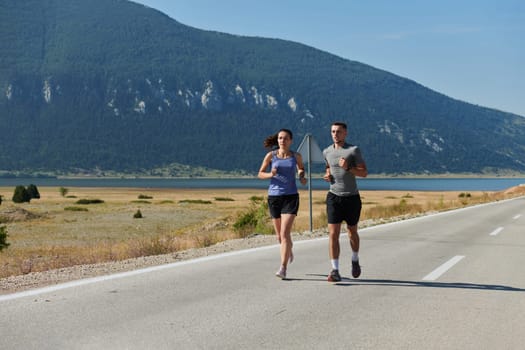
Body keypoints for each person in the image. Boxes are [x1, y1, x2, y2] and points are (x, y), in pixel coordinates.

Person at [258, 128, 307, 279]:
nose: (282, 141)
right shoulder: (271, 156)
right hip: (274, 197)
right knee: (280, 236)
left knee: (285, 233)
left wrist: (301, 176)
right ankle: (288, 250)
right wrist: (270, 174)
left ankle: (283, 268)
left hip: (291, 197)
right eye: (280, 138)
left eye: (285, 138)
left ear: (291, 141)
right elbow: (260, 173)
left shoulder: (296, 156)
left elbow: (301, 170)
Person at [322, 121, 368, 282]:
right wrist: (327, 175)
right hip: (333, 196)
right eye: (333, 132)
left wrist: (348, 168)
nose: (335, 134)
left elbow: (364, 173)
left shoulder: (353, 150)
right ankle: (335, 270)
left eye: (339, 132)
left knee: (352, 232)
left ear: (345, 133)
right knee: (333, 234)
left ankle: (355, 259)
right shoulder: (326, 151)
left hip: (352, 198)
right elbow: (328, 167)